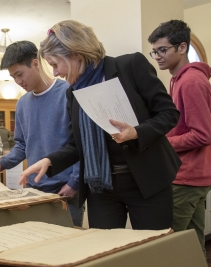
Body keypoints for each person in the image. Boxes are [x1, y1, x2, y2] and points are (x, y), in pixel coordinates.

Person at [20, 20, 181, 231]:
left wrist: (137, 132)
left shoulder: (130, 66)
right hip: (101, 187)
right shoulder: (72, 93)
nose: (55, 73)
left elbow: (169, 113)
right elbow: (76, 145)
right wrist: (49, 161)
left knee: (153, 252)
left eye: (55, 64)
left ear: (76, 54)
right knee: (104, 254)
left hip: (146, 180)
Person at [0, 41, 83, 227]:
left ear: (36, 63)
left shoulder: (68, 92)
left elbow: (79, 144)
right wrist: (1, 164)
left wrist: (74, 183)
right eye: (13, 77)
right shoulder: (22, 104)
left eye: (20, 74)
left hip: (65, 190)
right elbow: (22, 145)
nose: (18, 82)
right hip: (34, 190)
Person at [148, 20, 211, 253]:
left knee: (169, 247)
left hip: (188, 176)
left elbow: (202, 135)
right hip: (192, 175)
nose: (157, 56)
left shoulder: (191, 81)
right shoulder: (178, 79)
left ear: (182, 47)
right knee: (193, 244)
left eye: (163, 50)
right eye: (154, 51)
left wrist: (162, 142)